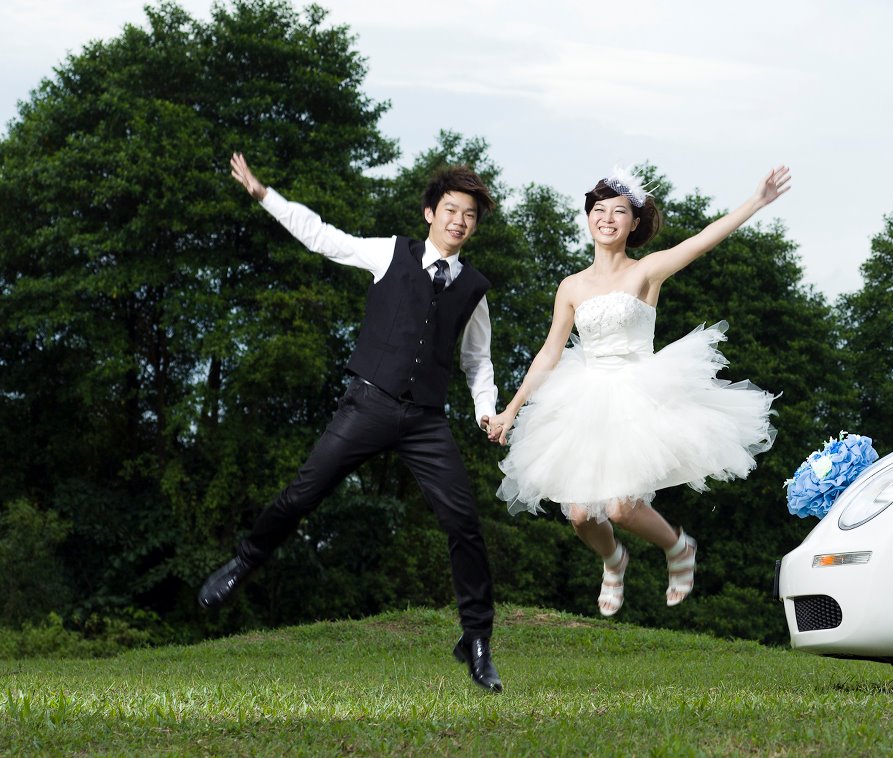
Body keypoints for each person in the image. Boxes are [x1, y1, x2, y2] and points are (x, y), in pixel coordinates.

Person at [201, 153, 505, 692]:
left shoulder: (474, 288)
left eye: (470, 216)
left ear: (475, 227)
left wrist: (486, 409)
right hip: (368, 404)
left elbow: (477, 361)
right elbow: (321, 235)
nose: (460, 220)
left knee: (464, 522)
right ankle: (242, 564)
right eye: (452, 210)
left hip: (425, 422)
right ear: (430, 213)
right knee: (301, 494)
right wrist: (263, 194)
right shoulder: (390, 254)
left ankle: (476, 639)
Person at [490, 165, 788, 617]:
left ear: (634, 223)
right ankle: (614, 561)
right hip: (584, 398)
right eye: (599, 210)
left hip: (638, 391)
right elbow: (550, 353)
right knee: (580, 515)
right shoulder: (571, 286)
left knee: (623, 508)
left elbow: (704, 239)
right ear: (589, 217)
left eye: (619, 211)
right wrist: (511, 410)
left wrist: (756, 201)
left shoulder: (647, 270)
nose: (607, 218)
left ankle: (678, 546)